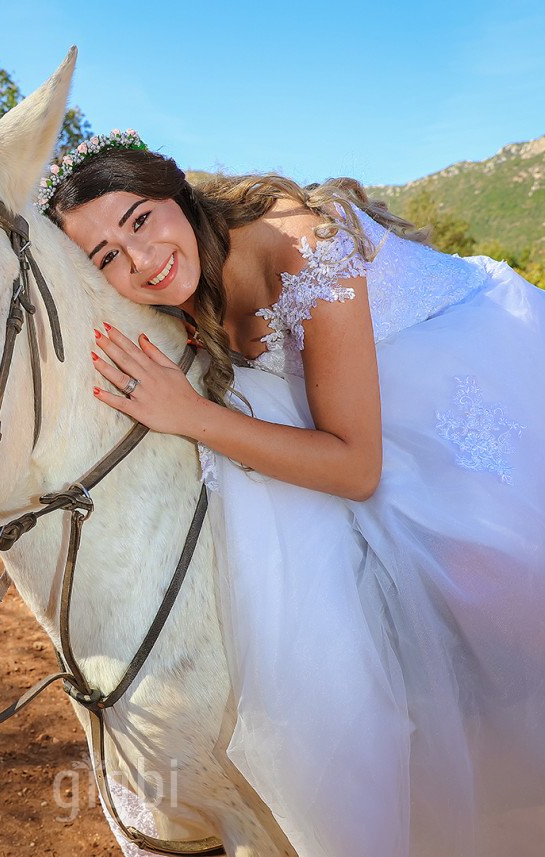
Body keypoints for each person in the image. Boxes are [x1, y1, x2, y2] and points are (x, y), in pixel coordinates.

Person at [38, 129, 545, 857]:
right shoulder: (169, 290)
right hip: (345, 414)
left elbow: (355, 467)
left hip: (452, 388)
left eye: (139, 220)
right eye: (106, 257)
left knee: (494, 589)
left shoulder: (301, 246)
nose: (140, 261)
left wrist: (192, 416)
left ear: (175, 192)